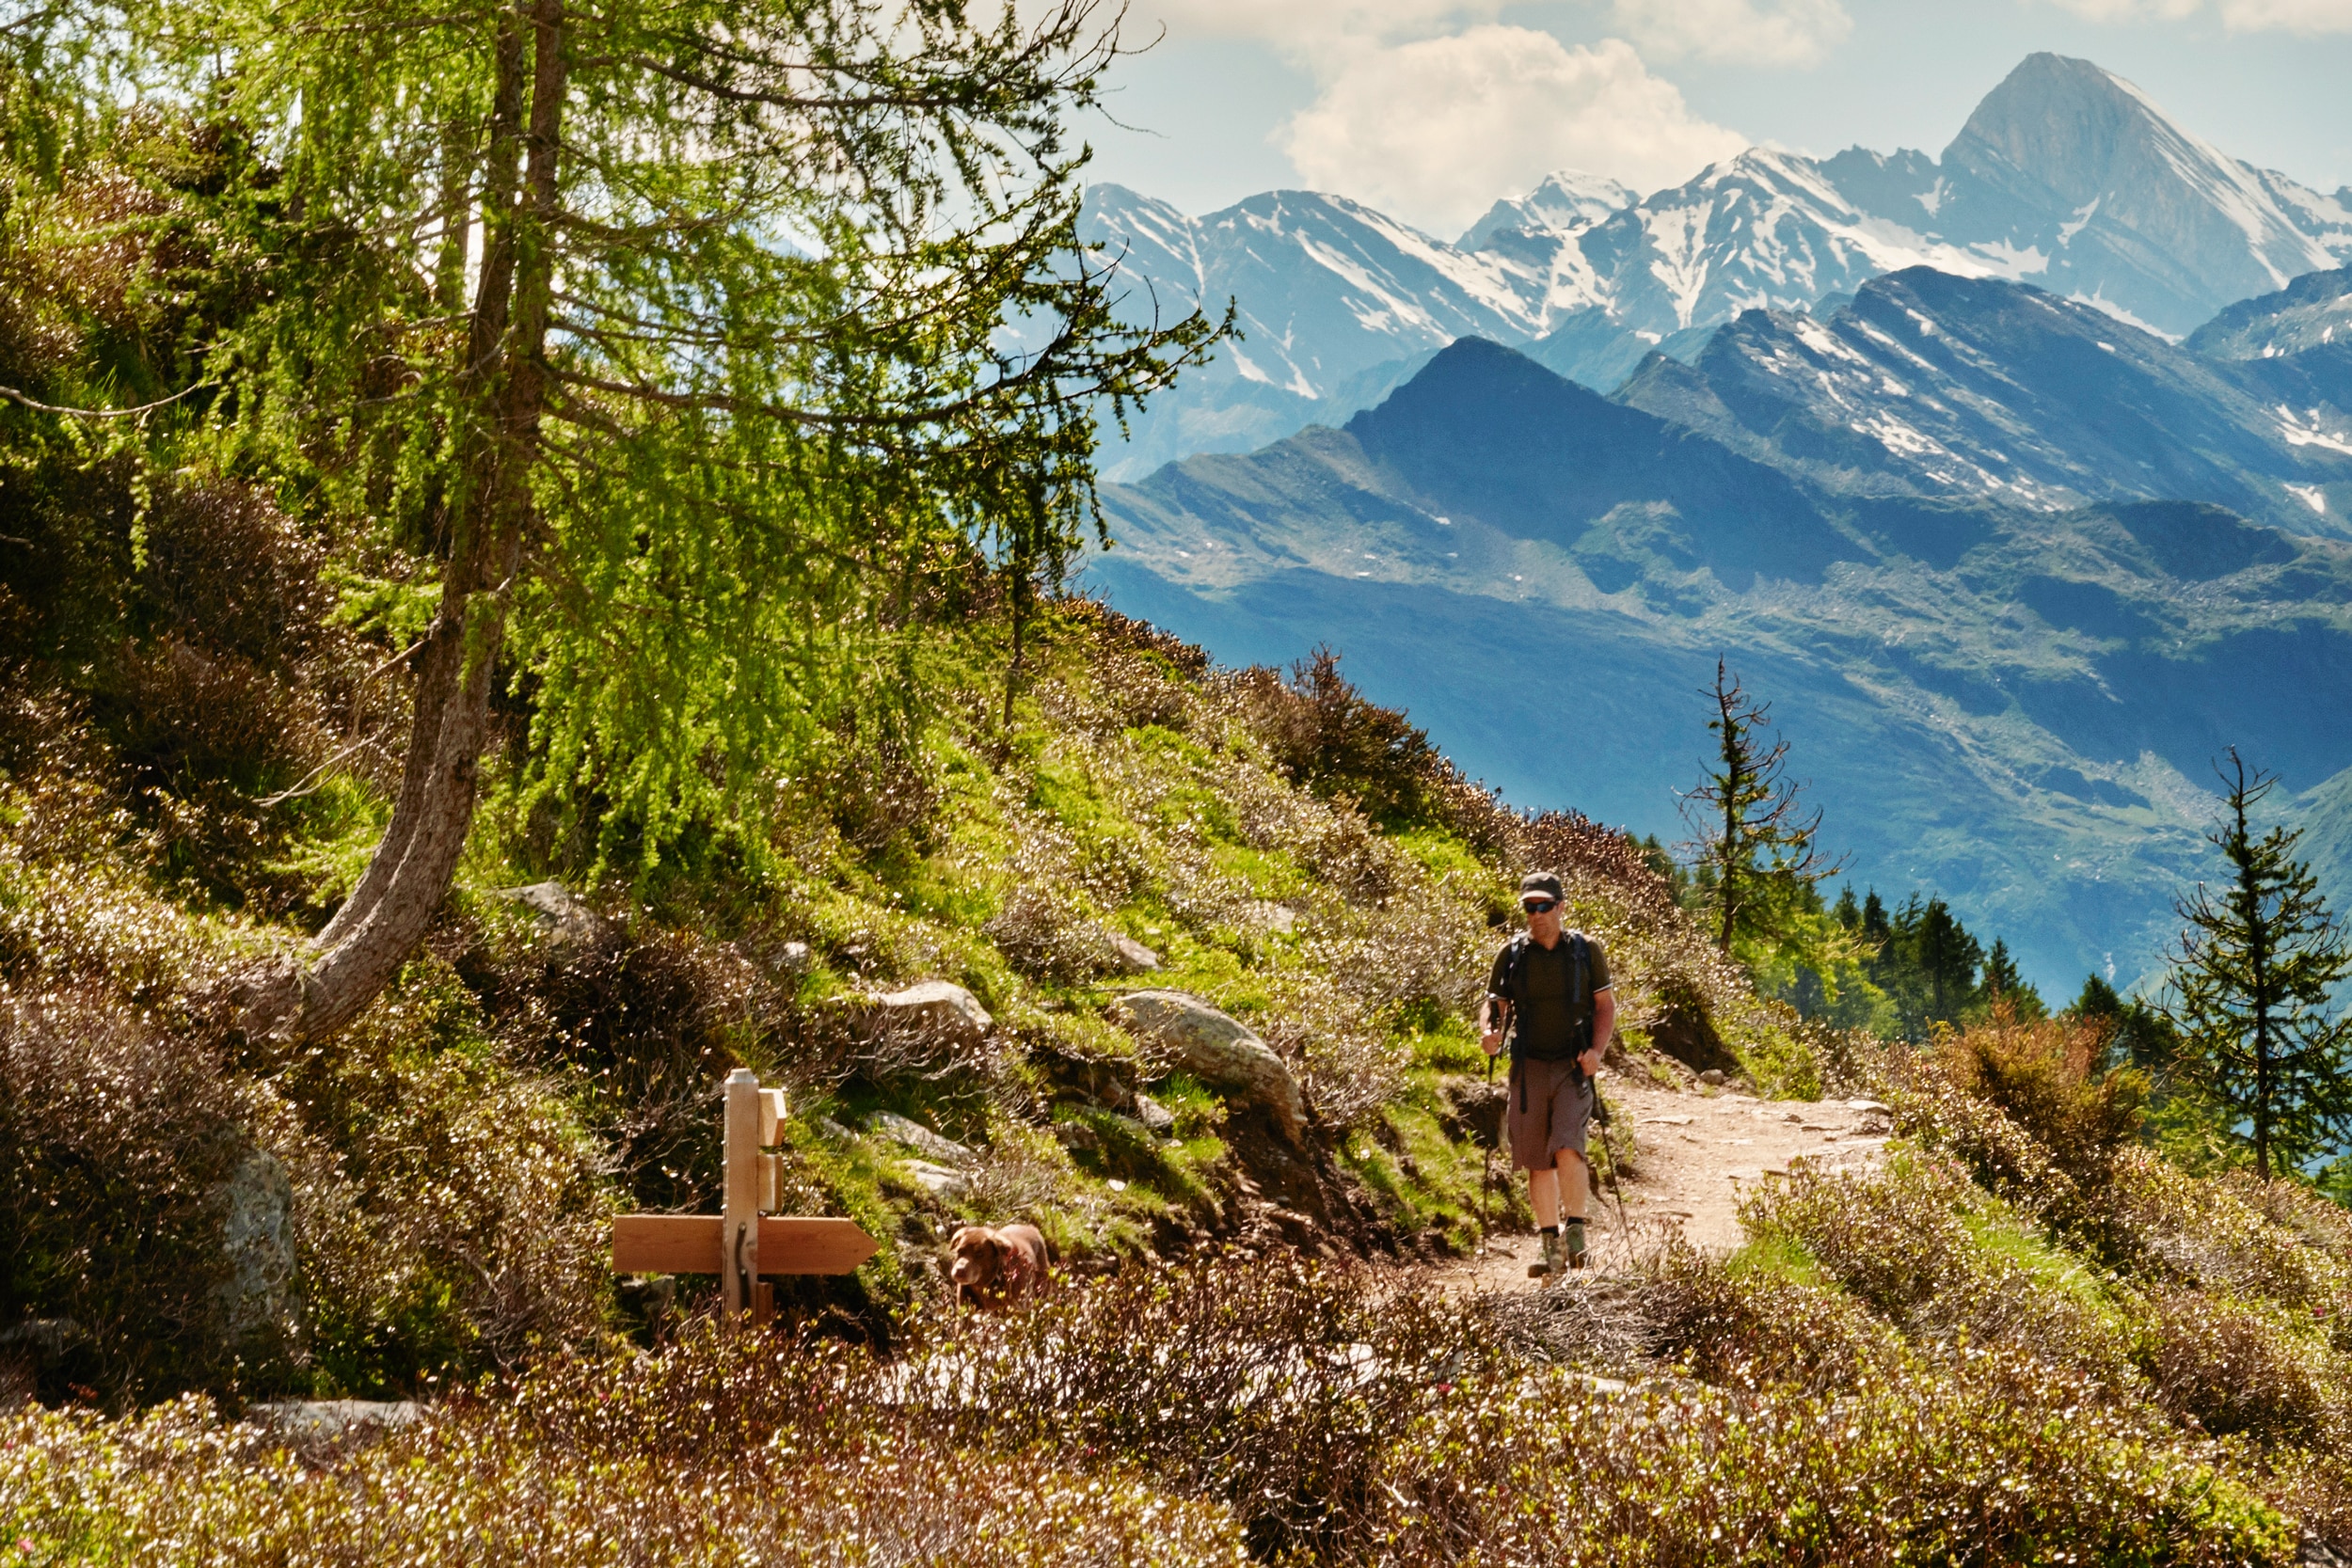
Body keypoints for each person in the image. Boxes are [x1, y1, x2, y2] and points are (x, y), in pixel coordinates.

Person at [1481, 871, 1614, 1277]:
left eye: (1543, 906)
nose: (1536, 914)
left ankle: (1576, 1239)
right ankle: (1549, 1247)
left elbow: (1605, 1006)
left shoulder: (1586, 951)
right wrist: (1489, 1030)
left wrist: (1596, 1051)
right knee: (1537, 1160)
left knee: (1568, 1147)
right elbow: (1494, 1003)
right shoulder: (1512, 954)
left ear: (1560, 907)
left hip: (1573, 1066)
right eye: (1529, 907)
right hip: (1528, 1066)